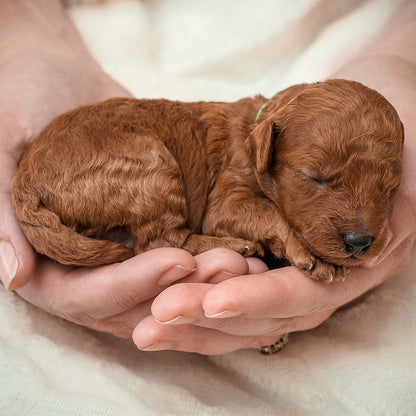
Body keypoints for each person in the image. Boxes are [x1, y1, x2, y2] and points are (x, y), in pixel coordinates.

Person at [0, 0, 415, 355]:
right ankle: (168, 239)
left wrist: (402, 62)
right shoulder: (240, 148)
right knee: (150, 167)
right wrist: (24, 43)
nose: (361, 224)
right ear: (264, 148)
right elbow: (227, 209)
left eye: (386, 186)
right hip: (78, 153)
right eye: (318, 179)